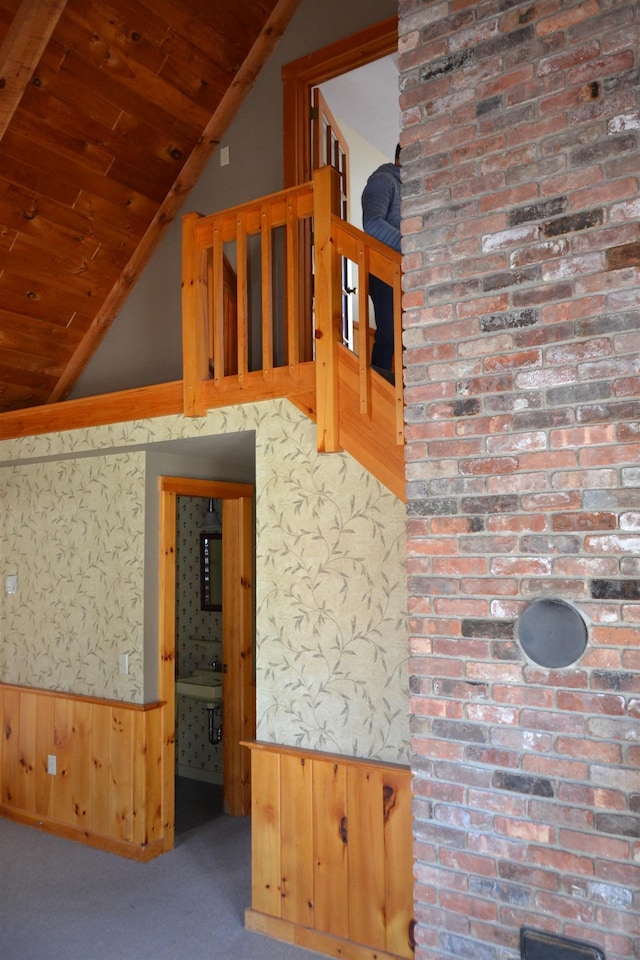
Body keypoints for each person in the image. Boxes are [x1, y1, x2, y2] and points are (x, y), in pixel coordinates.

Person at [361, 143, 401, 380]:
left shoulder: (411, 189)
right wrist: (412, 247)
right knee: (389, 332)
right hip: (383, 268)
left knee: (401, 333)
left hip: (402, 270)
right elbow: (372, 224)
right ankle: (379, 387)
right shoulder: (383, 181)